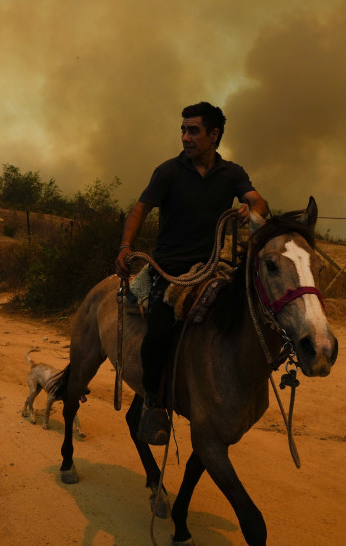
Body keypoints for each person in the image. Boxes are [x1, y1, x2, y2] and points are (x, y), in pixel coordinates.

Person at [115, 101, 269, 445]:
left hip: (214, 266)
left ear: (214, 135)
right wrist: (125, 246)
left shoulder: (231, 173)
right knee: (158, 333)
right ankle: (154, 403)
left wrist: (249, 207)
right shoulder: (168, 171)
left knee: (245, 316)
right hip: (168, 270)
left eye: (193, 130)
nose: (185, 137)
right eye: (183, 130)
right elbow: (140, 209)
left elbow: (259, 202)